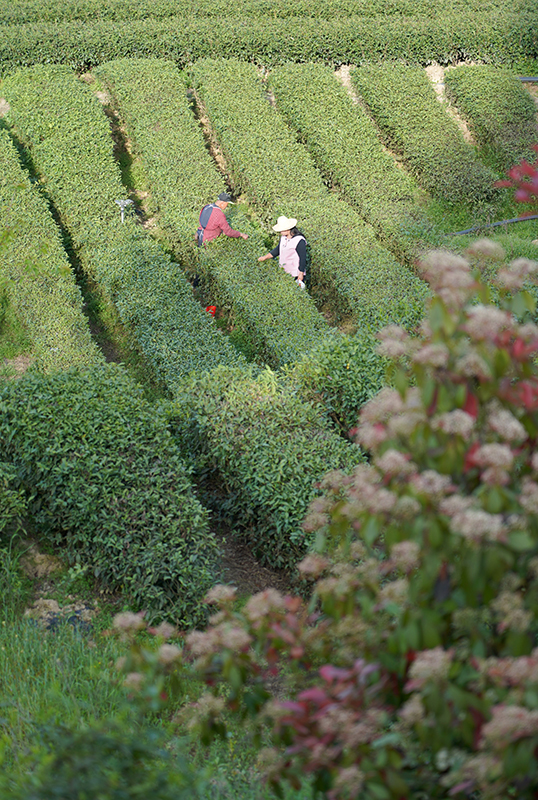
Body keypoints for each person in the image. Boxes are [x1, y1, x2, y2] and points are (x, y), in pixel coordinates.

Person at [258, 216, 307, 289]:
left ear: (288, 229)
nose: (280, 232)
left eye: (281, 230)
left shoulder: (299, 240)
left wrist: (301, 273)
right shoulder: (283, 238)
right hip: (285, 272)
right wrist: (264, 257)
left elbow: (302, 258)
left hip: (295, 274)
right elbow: (277, 251)